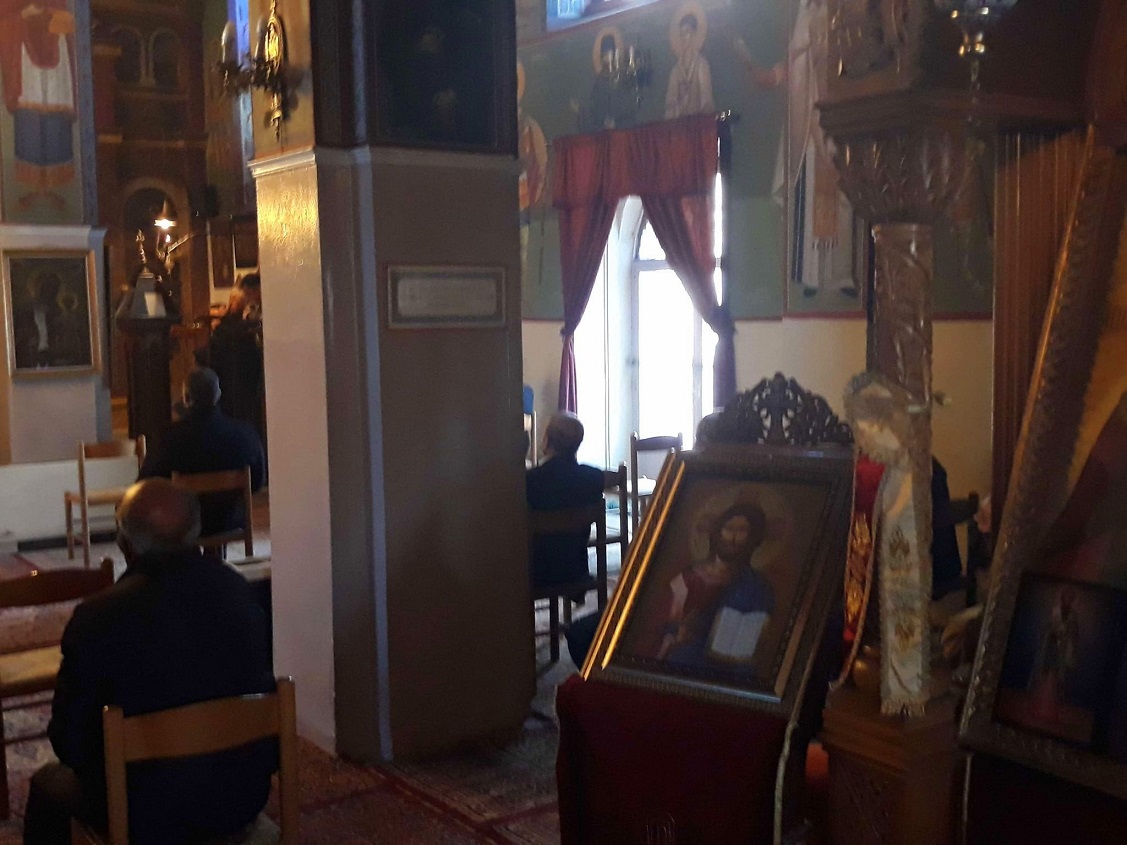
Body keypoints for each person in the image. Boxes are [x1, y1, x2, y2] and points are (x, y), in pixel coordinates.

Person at [23, 479, 275, 845]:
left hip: (142, 812)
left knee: (47, 785)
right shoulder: (242, 593)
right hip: (238, 797)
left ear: (124, 542)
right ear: (196, 532)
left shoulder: (98, 617)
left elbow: (70, 742)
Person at [634, 502, 775, 668]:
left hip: (734, 663)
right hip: (687, 656)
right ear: (718, 531)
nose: (733, 537)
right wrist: (679, 631)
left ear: (752, 538)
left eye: (742, 530)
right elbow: (661, 623)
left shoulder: (756, 585)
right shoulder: (688, 579)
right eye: (729, 528)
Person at [139, 368, 265, 538]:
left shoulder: (168, 438)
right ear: (218, 395)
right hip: (229, 520)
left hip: (182, 522)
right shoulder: (245, 434)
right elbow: (257, 482)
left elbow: (147, 483)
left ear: (186, 398)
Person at [0, 0, 78, 211]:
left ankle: (52, 186)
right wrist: (24, 14)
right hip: (24, 50)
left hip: (56, 44)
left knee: (55, 119)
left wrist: (53, 14)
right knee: (29, 117)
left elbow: (69, 16)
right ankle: (34, 187)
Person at [526, 412, 604, 589]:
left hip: (537, 573)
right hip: (576, 570)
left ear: (547, 441)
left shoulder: (530, 481)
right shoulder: (594, 478)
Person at [664, 9, 714, 119]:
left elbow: (707, 103)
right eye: (681, 33)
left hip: (699, 124)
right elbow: (669, 108)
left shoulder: (701, 65)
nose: (683, 37)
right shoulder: (675, 71)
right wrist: (680, 108)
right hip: (679, 126)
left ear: (694, 34)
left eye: (687, 32)